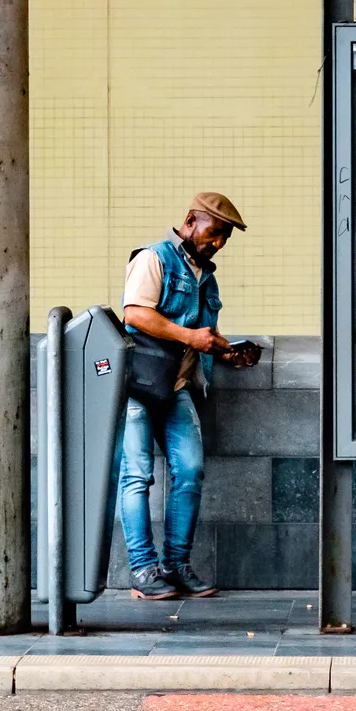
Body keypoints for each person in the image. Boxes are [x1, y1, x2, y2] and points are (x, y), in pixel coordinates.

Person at [117, 190, 261, 599]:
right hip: (138, 387)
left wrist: (228, 350)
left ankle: (176, 565)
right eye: (214, 233)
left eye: (224, 240)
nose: (217, 244)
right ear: (190, 220)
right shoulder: (153, 258)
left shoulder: (206, 277)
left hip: (177, 387)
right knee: (137, 476)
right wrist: (190, 337)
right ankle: (144, 570)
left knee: (191, 471)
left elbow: (199, 334)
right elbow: (136, 313)